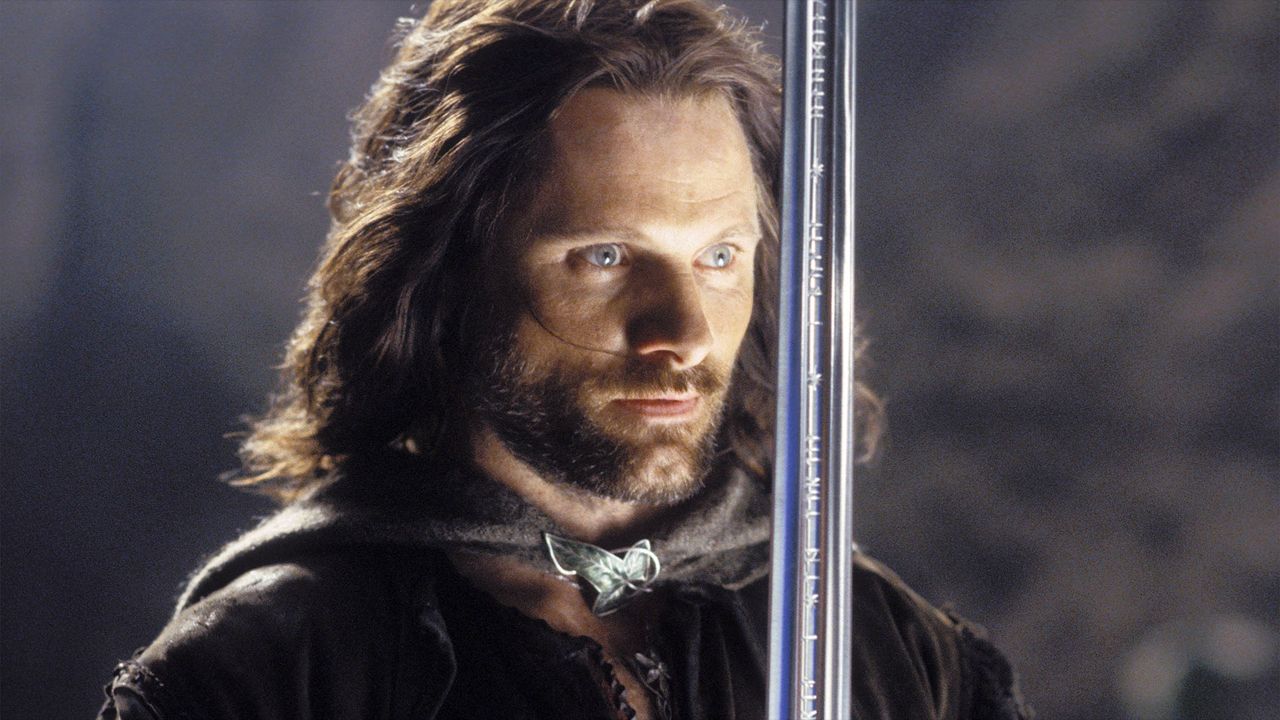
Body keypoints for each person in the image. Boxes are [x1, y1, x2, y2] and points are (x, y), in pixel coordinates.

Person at [99, 1, 1030, 718]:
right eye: (606, 257)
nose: (682, 330)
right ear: (448, 275)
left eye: (718, 257)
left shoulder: (898, 659)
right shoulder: (263, 677)